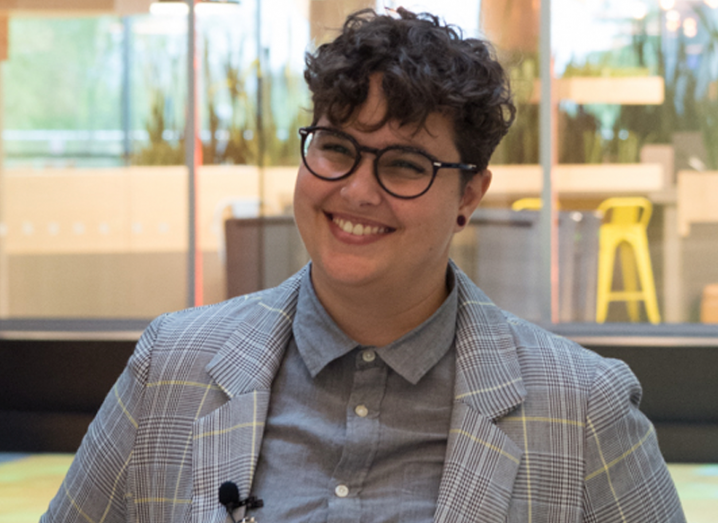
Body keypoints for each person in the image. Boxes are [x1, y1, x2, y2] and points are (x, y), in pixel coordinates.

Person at [42, 8, 685, 523]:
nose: (356, 192)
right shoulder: (170, 371)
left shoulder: (580, 409)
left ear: (469, 195)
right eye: (336, 148)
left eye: (405, 165)